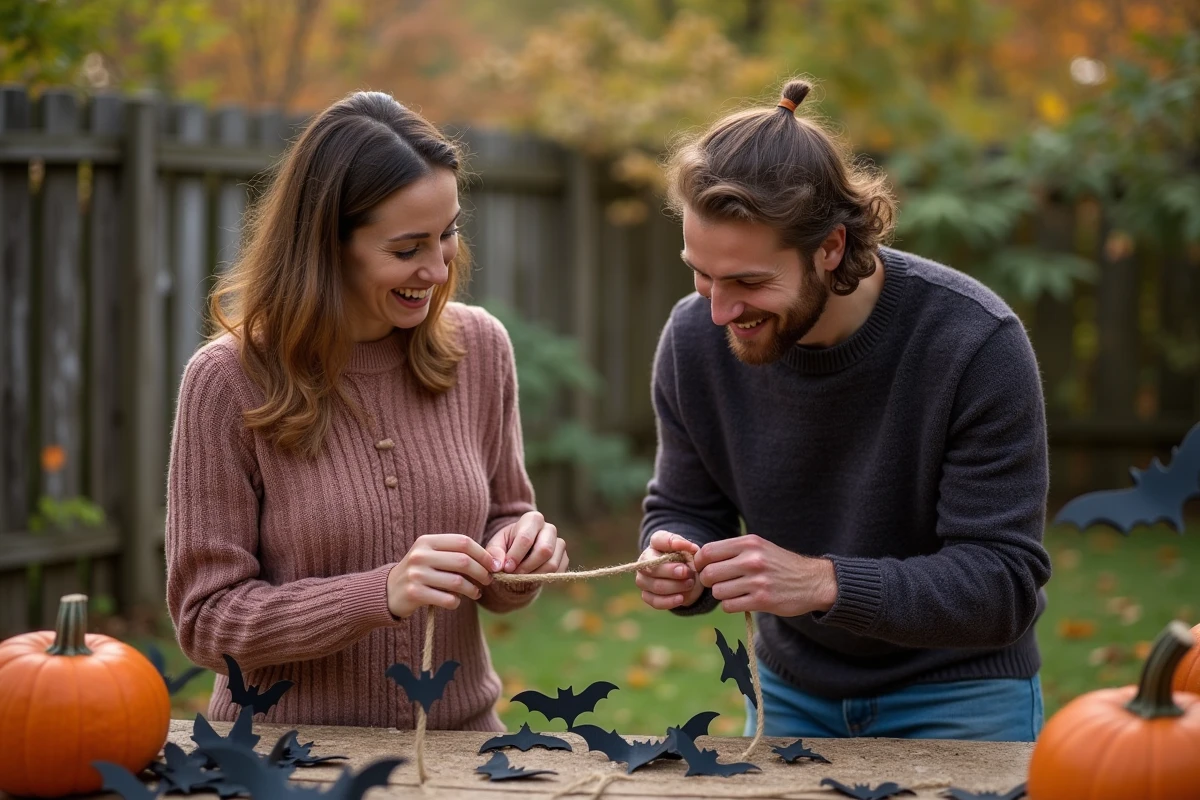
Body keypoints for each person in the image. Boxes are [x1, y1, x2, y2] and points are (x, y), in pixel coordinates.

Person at [635, 79, 1052, 741]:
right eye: (700, 273)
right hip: (788, 695)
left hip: (963, 699)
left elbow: (1002, 584)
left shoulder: (974, 343)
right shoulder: (693, 339)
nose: (718, 311)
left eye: (748, 282)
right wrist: (674, 557)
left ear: (829, 248)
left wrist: (823, 582)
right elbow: (683, 507)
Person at [166, 91, 568, 731]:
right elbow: (206, 620)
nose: (438, 270)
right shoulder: (227, 381)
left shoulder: (480, 349)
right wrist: (378, 594)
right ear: (327, 246)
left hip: (461, 752)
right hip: (288, 757)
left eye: (449, 233)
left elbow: (504, 521)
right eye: (408, 249)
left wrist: (520, 553)